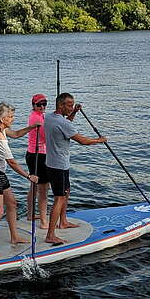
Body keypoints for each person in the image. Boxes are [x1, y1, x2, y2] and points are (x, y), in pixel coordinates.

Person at [43, 93, 107, 245]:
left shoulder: (50, 118)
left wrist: (74, 112)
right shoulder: (63, 123)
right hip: (59, 166)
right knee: (59, 198)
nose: (71, 107)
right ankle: (50, 235)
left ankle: (63, 221)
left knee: (66, 192)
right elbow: (83, 141)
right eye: (69, 105)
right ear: (60, 105)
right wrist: (99, 140)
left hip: (51, 163)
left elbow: (65, 126)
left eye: (73, 105)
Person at [0, 102, 39, 257]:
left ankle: (14, 237)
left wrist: (32, 127)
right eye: (10, 117)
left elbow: (17, 134)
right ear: (2, 118)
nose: (13, 119)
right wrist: (28, 176)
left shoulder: (0, 128)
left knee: (12, 203)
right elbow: (11, 162)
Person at [25, 94, 50, 228]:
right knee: (44, 189)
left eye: (44, 104)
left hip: (31, 154)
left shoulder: (38, 116)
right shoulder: (37, 118)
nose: (42, 106)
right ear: (34, 105)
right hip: (38, 155)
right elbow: (45, 138)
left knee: (34, 186)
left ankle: (30, 214)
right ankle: (44, 222)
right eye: (39, 104)